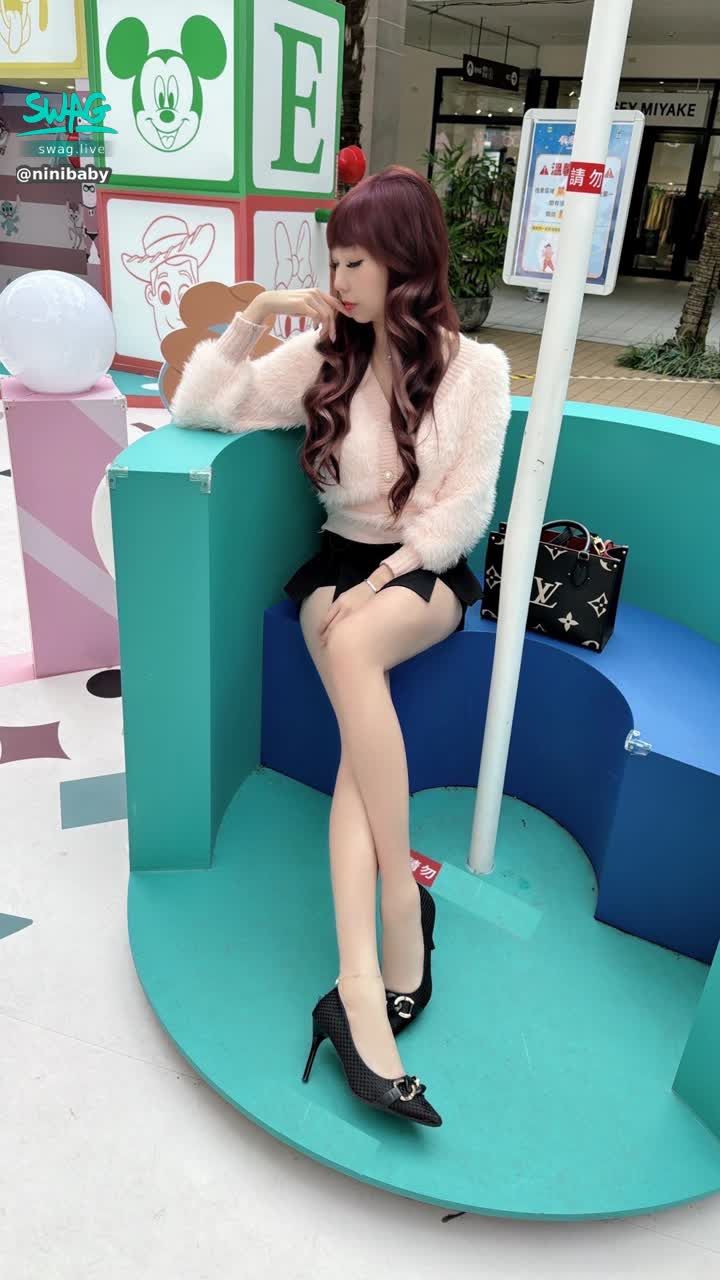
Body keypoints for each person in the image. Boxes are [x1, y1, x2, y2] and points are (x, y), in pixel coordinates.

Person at [170, 165, 511, 1129]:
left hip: (421, 569)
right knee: (355, 696)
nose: (341, 280)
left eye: (357, 261)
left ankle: (392, 922)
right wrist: (253, 315)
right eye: (334, 262)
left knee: (356, 643)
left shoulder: (478, 370)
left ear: (407, 260)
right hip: (338, 563)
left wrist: (380, 579)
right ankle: (368, 970)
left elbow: (464, 510)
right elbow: (202, 408)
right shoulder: (325, 355)